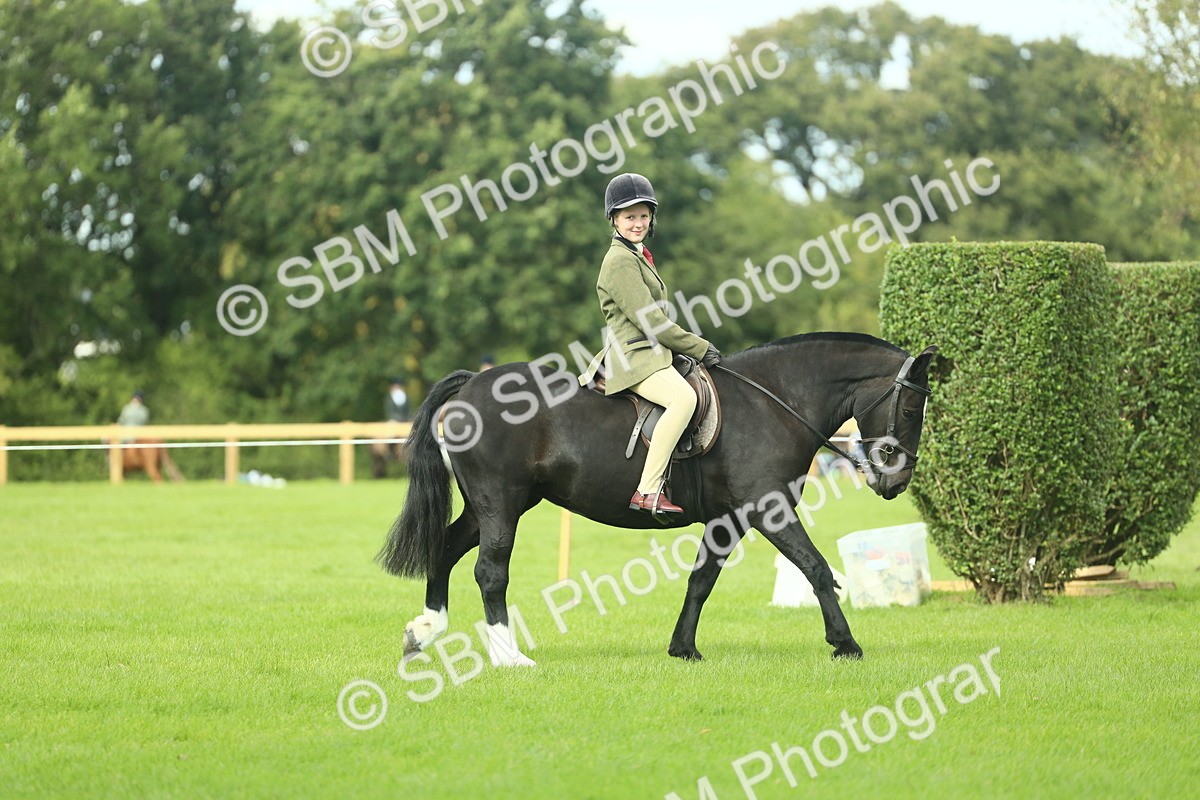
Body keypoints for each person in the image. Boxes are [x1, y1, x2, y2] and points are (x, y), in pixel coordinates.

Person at [582, 172, 720, 515]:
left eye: (644, 215)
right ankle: (648, 490)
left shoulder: (638, 254)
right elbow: (652, 322)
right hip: (635, 356)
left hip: (654, 352)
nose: (638, 223)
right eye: (630, 216)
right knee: (683, 398)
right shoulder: (618, 262)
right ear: (614, 219)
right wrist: (697, 346)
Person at [373, 376, 411, 479]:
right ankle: (389, 452)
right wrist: (398, 419)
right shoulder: (389, 397)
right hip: (394, 420)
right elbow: (390, 411)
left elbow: (408, 410)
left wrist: (407, 419)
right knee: (391, 432)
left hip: (405, 421)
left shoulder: (405, 397)